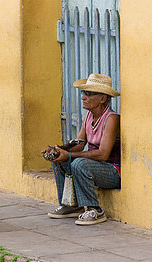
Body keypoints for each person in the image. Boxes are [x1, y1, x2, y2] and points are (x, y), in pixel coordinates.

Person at [44, 73, 120, 225]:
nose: (83, 97)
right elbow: (79, 143)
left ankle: (95, 210)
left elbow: (103, 154)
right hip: (95, 165)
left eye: (88, 94)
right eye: (83, 93)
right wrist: (60, 150)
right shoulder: (88, 117)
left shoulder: (111, 118)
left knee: (78, 163)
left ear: (102, 98)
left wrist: (71, 155)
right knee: (59, 160)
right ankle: (71, 206)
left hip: (112, 170)